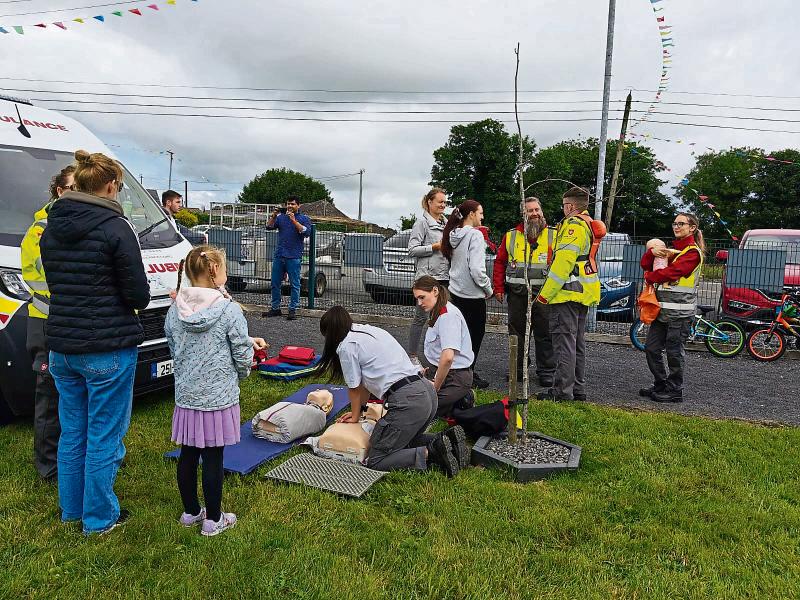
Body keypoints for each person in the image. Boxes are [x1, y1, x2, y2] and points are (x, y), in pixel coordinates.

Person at [40, 150, 151, 535]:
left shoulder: (51, 227)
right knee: (104, 435)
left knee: (73, 432)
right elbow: (138, 295)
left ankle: (72, 509)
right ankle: (99, 519)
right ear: (110, 186)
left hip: (62, 346)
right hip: (107, 345)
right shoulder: (116, 228)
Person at [166, 245, 268, 536]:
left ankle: (191, 512)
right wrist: (244, 370)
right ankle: (213, 519)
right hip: (219, 397)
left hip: (187, 395)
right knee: (213, 456)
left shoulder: (175, 309)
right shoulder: (228, 310)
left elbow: (173, 346)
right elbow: (240, 350)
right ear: (214, 271)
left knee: (188, 452)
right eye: (224, 267)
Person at [317, 306, 466, 476]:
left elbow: (355, 388)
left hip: (409, 400)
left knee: (377, 459)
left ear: (330, 334)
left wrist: (355, 416)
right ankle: (447, 441)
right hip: (426, 392)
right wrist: (360, 411)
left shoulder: (346, 347)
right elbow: (364, 386)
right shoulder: (370, 331)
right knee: (405, 440)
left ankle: (431, 453)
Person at [20, 164, 75, 481]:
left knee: (76, 396)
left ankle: (77, 457)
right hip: (46, 321)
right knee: (50, 395)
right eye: (73, 188)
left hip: (72, 322)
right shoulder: (41, 229)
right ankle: (48, 465)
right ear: (59, 191)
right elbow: (43, 274)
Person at [535, 187, 600, 402]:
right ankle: (577, 388)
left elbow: (562, 265)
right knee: (576, 343)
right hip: (582, 293)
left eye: (564, 206)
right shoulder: (587, 224)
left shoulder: (572, 227)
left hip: (567, 294)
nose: (563, 209)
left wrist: (544, 295)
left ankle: (562, 392)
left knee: (564, 344)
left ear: (570, 206)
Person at [639, 213, 705, 403]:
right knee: (652, 348)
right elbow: (645, 264)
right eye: (674, 223)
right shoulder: (672, 250)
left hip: (681, 313)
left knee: (674, 352)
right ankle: (661, 384)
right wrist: (652, 252)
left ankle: (675, 390)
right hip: (662, 312)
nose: (676, 226)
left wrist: (650, 277)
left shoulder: (692, 253)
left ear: (692, 228)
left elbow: (672, 272)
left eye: (681, 223)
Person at [492, 197, 556, 386]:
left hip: (544, 295)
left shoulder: (555, 235)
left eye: (537, 210)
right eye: (530, 211)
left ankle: (547, 371)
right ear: (523, 214)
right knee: (516, 333)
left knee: (545, 333)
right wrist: (498, 288)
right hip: (517, 294)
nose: (535, 214)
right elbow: (500, 262)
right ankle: (518, 369)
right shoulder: (511, 236)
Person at [441, 200, 493, 389]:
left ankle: (455, 372)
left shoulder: (453, 234)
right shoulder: (475, 235)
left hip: (456, 293)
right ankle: (468, 375)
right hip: (472, 297)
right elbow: (477, 270)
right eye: (480, 213)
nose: (482, 217)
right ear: (471, 214)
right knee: (473, 338)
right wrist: (488, 289)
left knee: (459, 338)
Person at [412, 276, 474, 418]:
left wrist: (435, 386)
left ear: (435, 291)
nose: (419, 303)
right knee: (409, 395)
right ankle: (455, 402)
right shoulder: (438, 310)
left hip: (455, 378)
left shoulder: (448, 316)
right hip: (443, 373)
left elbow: (447, 358)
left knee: (420, 409)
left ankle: (462, 399)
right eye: (417, 299)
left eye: (422, 297)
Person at [407, 188, 449, 364]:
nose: (443, 205)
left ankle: (438, 356)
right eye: (440, 201)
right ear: (429, 202)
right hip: (426, 279)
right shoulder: (421, 223)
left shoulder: (447, 224)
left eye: (445, 202)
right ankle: (412, 356)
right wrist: (433, 247)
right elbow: (412, 250)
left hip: (444, 277)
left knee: (442, 318)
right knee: (421, 317)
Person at [266, 196, 312, 321]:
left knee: (295, 284)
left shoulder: (304, 219)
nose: (290, 206)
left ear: (298, 205)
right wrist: (273, 216)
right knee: (275, 283)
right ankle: (275, 308)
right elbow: (269, 227)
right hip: (280, 255)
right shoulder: (281, 218)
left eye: (292, 204)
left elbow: (306, 232)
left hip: (294, 256)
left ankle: (292, 310)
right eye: (288, 204)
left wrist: (293, 220)